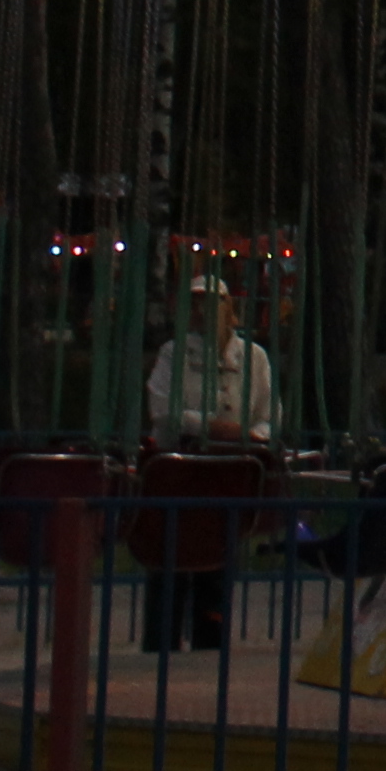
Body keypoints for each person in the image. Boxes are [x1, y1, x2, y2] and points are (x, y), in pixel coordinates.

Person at [138, 278, 278, 652]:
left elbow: (270, 415)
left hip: (227, 475)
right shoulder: (174, 354)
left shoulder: (254, 358)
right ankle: (160, 646)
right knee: (169, 561)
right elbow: (163, 410)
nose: (200, 312)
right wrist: (208, 426)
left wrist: (251, 438)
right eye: (194, 304)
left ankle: (209, 646)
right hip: (179, 475)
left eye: (209, 304)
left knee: (216, 562)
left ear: (229, 310)